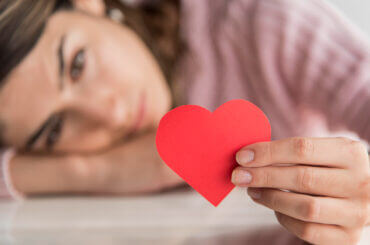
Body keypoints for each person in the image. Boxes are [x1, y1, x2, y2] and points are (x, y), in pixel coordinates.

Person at [0, 0, 368, 244]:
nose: (109, 114)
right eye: (55, 128)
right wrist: (98, 171)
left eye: (78, 65)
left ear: (88, 4)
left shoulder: (260, 22)